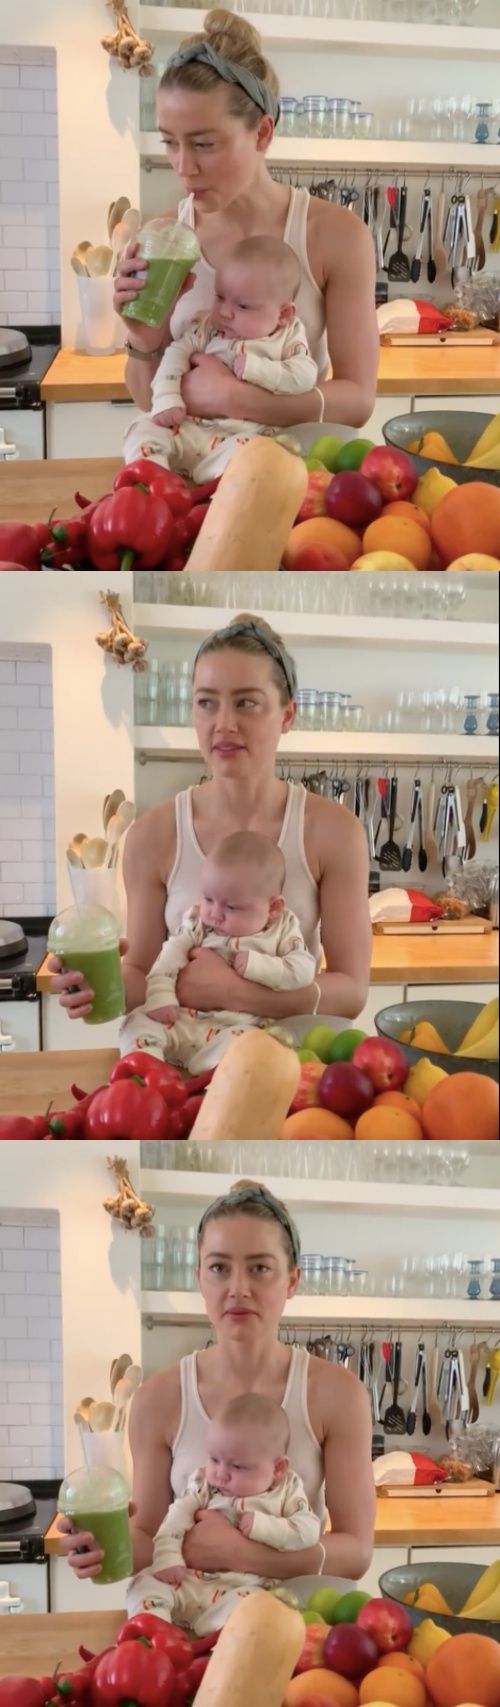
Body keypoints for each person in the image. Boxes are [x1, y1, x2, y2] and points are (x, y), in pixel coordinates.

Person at [48, 614, 372, 1031]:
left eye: (246, 702)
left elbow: (351, 991)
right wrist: (98, 983)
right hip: (180, 1061)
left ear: (287, 715)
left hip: (289, 1059)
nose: (224, 724)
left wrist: (233, 992)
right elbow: (144, 973)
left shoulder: (334, 832)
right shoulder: (152, 835)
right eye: (206, 702)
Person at [58, 1181, 376, 1587]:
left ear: (292, 1281)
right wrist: (104, 1544)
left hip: (297, 1619)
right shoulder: (158, 1399)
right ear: (199, 1278)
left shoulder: (337, 1394)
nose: (238, 1288)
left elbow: (357, 1552)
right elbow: (149, 1537)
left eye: (259, 1268)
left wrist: (240, 1554)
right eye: (219, 1268)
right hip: (188, 1620)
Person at [113, 9, 379, 433]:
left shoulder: (334, 235)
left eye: (203, 144)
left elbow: (359, 400)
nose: (183, 167)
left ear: (262, 133)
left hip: (293, 467)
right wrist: (143, 341)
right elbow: (150, 401)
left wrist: (236, 399)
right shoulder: (162, 239)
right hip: (187, 470)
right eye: (170, 142)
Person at [126, 237, 318, 482]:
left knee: (260, 457)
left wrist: (257, 369)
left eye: (243, 306)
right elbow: (176, 353)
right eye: (219, 297)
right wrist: (167, 397)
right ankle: (154, 481)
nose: (225, 312)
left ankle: (214, 482)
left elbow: (305, 375)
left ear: (283, 314)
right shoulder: (207, 326)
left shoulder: (288, 336)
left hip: (243, 436)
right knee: (141, 427)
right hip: (188, 427)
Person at [118, 830, 317, 1066]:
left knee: (256, 1046)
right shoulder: (198, 923)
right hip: (182, 1019)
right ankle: (146, 1066)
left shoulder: (283, 929)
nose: (214, 914)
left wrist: (258, 965)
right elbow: (170, 956)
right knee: (137, 1021)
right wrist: (161, 995)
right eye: (208, 899)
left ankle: (213, 1070)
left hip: (237, 1027)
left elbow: (303, 969)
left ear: (273, 908)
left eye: (231, 907)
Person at [126, 1391, 321, 1631]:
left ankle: (217, 1635)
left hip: (243, 1589)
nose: (220, 1474)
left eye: (237, 1466)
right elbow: (176, 1518)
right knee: (143, 1582)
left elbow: (308, 1530)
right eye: (214, 1459)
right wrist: (167, 1557)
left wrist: (263, 1526)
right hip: (188, 1580)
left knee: (261, 1609)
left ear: (278, 1468)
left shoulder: (287, 1490)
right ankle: (153, 1630)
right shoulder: (204, 1485)